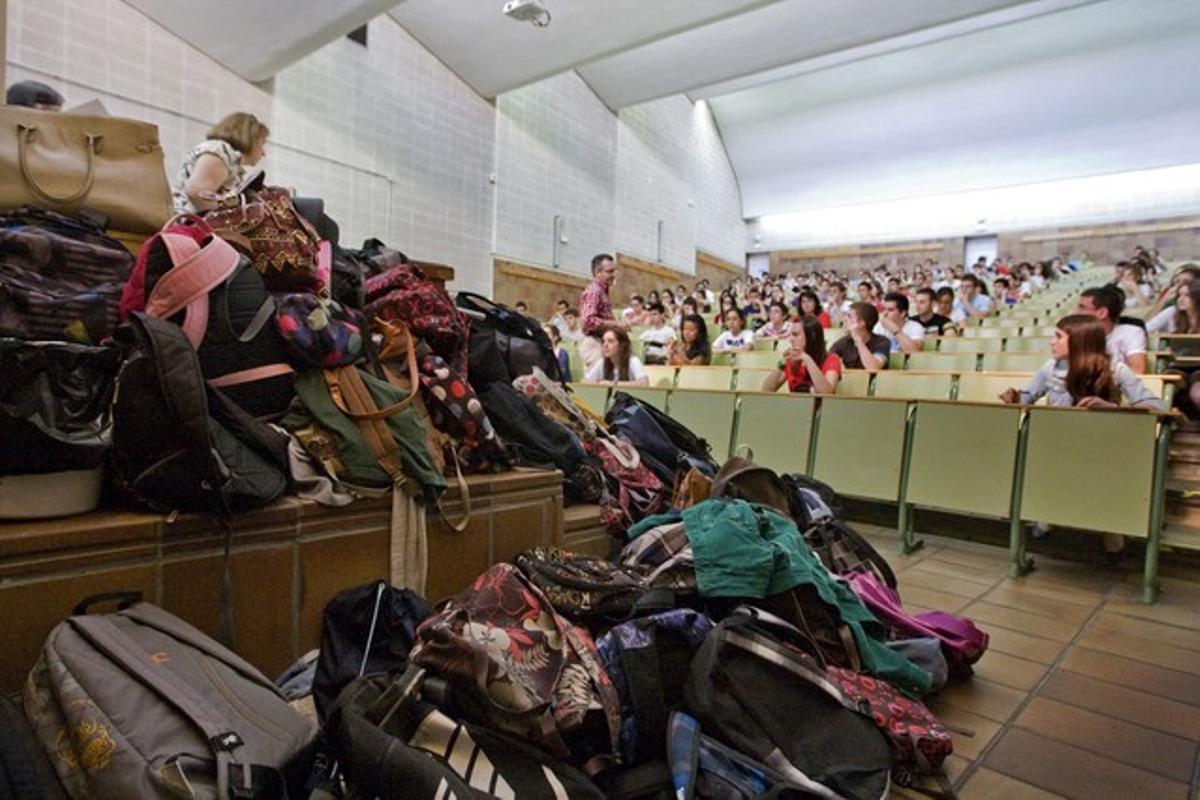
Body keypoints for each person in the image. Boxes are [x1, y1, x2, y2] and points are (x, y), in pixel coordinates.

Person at [172, 112, 270, 214]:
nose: (263, 153)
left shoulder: (229, 159)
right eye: (262, 143)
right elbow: (197, 193)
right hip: (187, 223)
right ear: (250, 138)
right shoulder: (219, 152)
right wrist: (230, 215)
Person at [761, 316, 842, 394]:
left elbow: (827, 394)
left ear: (811, 337)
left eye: (795, 335)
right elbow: (766, 390)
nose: (790, 339)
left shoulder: (832, 359)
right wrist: (782, 362)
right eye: (791, 334)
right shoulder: (791, 360)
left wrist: (807, 359)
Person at [1075, 286, 1147, 374]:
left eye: (1082, 308)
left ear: (1102, 313)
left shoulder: (1132, 332)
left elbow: (1138, 371)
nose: (1075, 312)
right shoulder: (1075, 333)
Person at [579, 253, 622, 370]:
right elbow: (588, 321)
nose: (613, 275)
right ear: (597, 273)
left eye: (614, 271)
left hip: (602, 343)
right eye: (609, 271)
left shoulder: (603, 291)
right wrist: (614, 324)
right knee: (596, 385)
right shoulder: (594, 291)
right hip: (594, 344)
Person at [831, 303, 890, 370]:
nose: (844, 319)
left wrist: (857, 339)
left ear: (862, 323)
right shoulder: (843, 342)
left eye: (849, 316)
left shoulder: (882, 342)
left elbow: (873, 367)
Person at [584, 328, 648, 386]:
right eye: (603, 341)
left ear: (622, 345)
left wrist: (613, 384)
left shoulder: (633, 361)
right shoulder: (601, 362)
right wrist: (598, 383)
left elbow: (644, 383)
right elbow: (585, 381)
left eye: (610, 341)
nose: (605, 345)